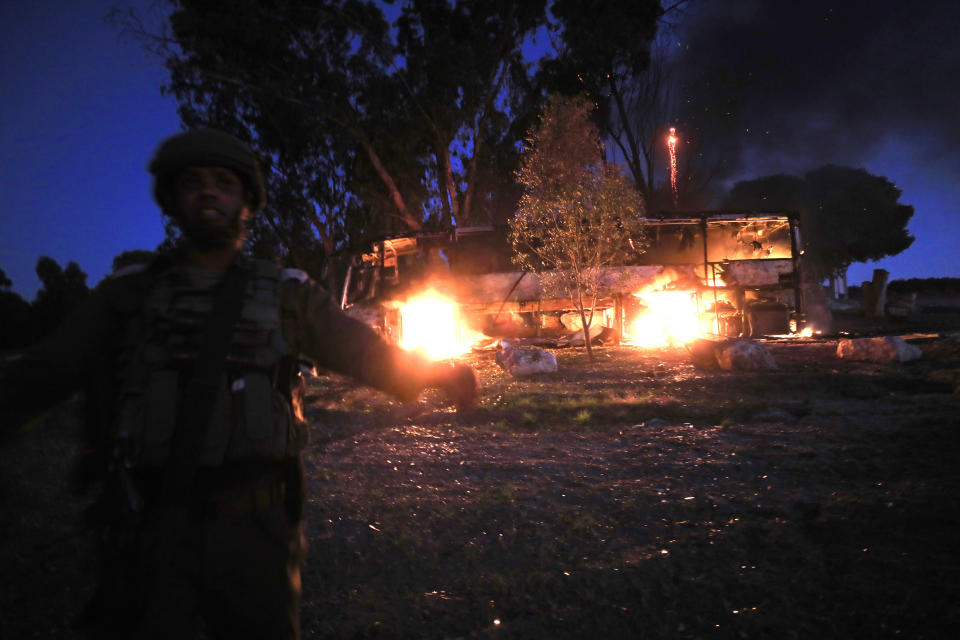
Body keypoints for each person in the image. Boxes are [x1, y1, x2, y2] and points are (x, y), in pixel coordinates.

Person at [0, 128, 478, 639]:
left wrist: (437, 372)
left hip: (257, 527)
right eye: (193, 183)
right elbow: (43, 372)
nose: (208, 192)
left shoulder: (286, 294)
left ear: (246, 201)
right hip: (152, 523)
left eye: (222, 183)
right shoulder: (129, 293)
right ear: (173, 200)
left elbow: (363, 352)